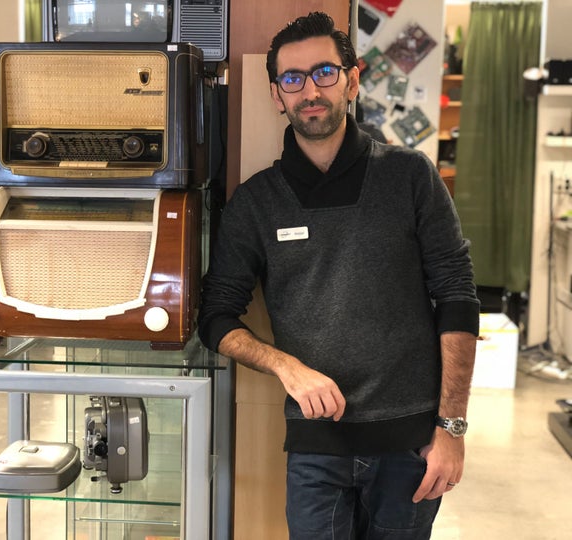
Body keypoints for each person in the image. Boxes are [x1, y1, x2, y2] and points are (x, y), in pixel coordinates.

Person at [197, 11, 479, 540]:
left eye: (324, 73)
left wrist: (451, 430)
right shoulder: (256, 202)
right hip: (316, 449)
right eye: (293, 78)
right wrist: (287, 368)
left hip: (412, 448)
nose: (310, 91)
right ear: (277, 94)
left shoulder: (410, 176)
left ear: (352, 79)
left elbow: (458, 300)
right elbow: (215, 319)